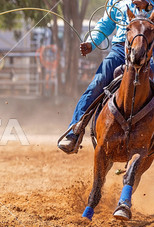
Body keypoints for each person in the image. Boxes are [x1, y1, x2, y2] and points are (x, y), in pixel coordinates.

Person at [58, 0, 154, 154]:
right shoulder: (116, 1)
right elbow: (105, 25)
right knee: (98, 81)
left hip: (149, 50)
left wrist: (148, 6)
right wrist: (91, 43)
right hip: (120, 49)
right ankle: (74, 132)